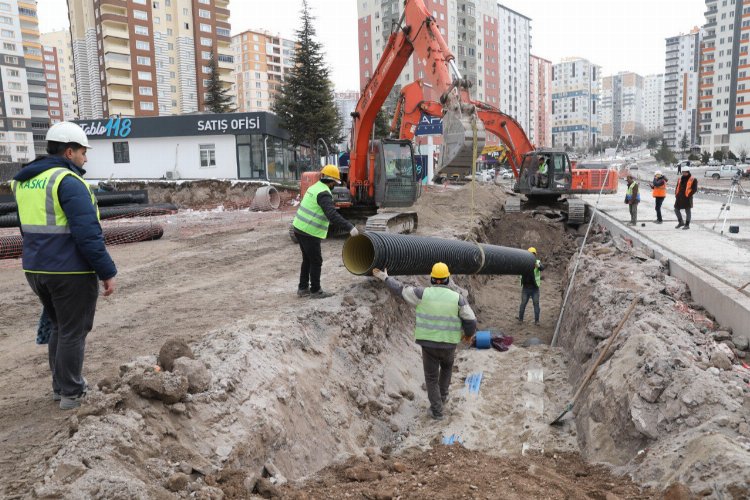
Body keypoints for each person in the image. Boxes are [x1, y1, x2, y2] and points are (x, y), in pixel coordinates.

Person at [10, 121, 117, 410]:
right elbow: (87, 233)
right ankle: (72, 393)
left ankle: (61, 388)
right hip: (69, 272)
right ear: (69, 152)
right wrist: (107, 271)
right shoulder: (68, 182)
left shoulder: (25, 181)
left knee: (59, 327)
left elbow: (24, 228)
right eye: (83, 151)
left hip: (36, 269)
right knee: (73, 330)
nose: (86, 157)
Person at [371, 263, 476, 421]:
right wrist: (468, 335)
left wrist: (385, 278)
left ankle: (437, 411)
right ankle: (443, 397)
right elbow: (470, 320)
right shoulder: (458, 298)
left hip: (429, 345)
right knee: (447, 369)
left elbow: (400, 290)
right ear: (447, 279)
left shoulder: (422, 294)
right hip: (449, 345)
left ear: (432, 279)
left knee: (431, 378)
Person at [292, 164, 357, 298]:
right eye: (335, 182)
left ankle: (303, 288)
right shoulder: (324, 193)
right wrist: (350, 227)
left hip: (299, 227)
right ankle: (315, 291)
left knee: (307, 259)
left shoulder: (315, 187)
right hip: (309, 231)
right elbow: (332, 215)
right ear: (332, 181)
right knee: (316, 261)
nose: (334, 185)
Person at [517, 247, 544, 325]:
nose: (532, 256)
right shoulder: (523, 262)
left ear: (535, 255)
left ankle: (537, 321)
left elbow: (542, 268)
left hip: (534, 289)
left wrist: (538, 266)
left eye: (533, 254)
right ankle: (520, 319)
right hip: (525, 288)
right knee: (523, 304)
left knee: (536, 305)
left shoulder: (537, 262)